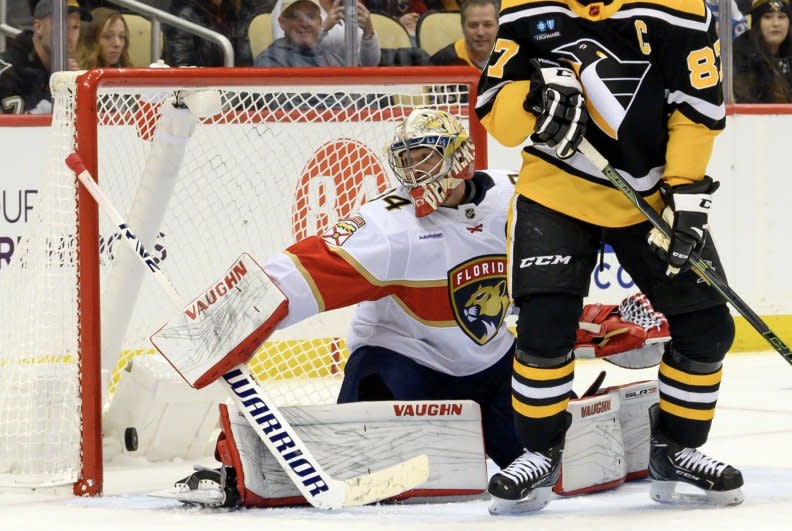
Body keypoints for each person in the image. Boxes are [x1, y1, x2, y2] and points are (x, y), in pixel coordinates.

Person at [162, 108, 670, 508]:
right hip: (403, 366)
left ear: (459, 158)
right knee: (366, 468)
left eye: (425, 158)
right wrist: (216, 325)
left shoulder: (520, 199)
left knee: (551, 465)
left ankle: (662, 438)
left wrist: (592, 320)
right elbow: (299, 271)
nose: (412, 173)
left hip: (493, 365)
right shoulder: (389, 227)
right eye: (404, 161)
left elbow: (557, 270)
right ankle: (237, 471)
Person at [476, 0, 742, 514]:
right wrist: (534, 96)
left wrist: (685, 191)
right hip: (555, 188)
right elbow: (497, 113)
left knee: (708, 326)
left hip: (650, 194)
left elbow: (696, 108)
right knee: (545, 325)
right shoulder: (527, 7)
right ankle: (538, 454)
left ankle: (676, 450)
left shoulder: (681, 10)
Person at [0, 0, 87, 114]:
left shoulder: (70, 72)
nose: (70, 36)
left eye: (75, 27)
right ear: (38, 27)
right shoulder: (5, 73)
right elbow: (24, 128)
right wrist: (59, 86)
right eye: (63, 25)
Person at [269, 0, 380, 66]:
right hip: (306, 82)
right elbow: (285, 48)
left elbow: (369, 64)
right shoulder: (292, 4)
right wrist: (324, 27)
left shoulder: (351, 5)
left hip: (343, 82)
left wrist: (368, 32)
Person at [161, 0, 253, 67]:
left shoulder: (233, 12)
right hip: (196, 89)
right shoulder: (184, 14)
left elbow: (244, 61)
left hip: (230, 88)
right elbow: (182, 67)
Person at [733, 0, 792, 102]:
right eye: (768, 17)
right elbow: (747, 103)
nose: (776, 24)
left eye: (782, 17)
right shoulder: (741, 54)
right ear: (757, 22)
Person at [255, 0, 345, 66]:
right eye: (295, 17)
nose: (305, 24)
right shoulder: (270, 61)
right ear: (282, 23)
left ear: (320, 22)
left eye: (311, 16)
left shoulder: (334, 60)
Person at [428, 0, 498, 70]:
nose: (480, 33)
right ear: (462, 27)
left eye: (488, 25)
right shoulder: (441, 63)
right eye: (473, 25)